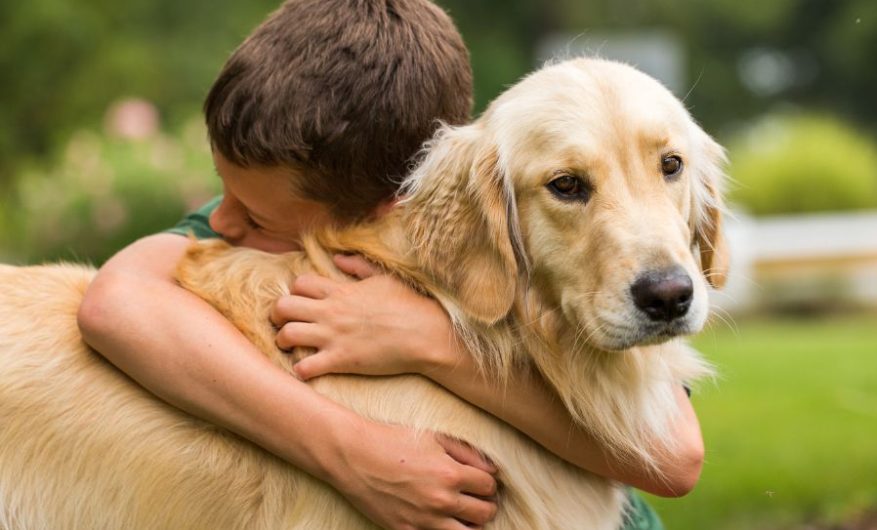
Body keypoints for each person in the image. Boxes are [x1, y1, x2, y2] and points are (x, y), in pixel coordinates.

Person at [77, 1, 703, 528]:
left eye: (258, 215)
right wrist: (350, 450)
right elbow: (114, 302)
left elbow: (676, 458)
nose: (221, 221)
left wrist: (429, 343)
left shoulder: (467, 202)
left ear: (381, 210)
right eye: (224, 189)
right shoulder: (271, 207)